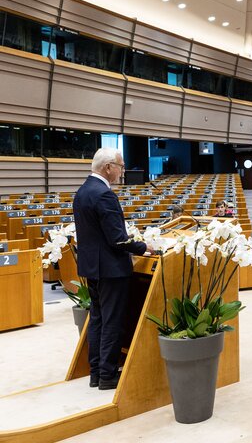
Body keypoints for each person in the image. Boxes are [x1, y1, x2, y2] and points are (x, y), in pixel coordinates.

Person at [74, 148, 152, 390]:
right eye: (121, 166)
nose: (122, 171)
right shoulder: (104, 195)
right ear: (108, 167)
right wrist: (144, 247)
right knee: (113, 321)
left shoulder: (83, 191)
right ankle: (108, 375)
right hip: (110, 269)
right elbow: (118, 240)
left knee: (97, 319)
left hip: (92, 268)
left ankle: (96, 372)